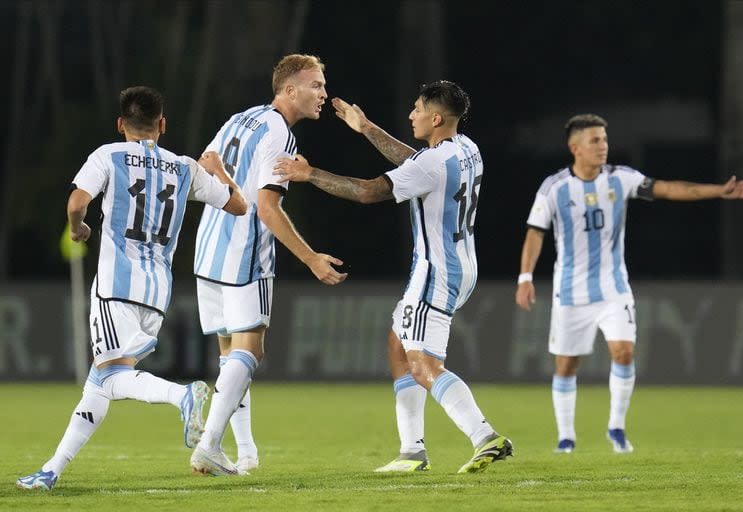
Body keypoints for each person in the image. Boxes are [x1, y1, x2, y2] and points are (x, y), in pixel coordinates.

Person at [274, 80, 513, 474]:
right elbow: (415, 163)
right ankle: (412, 451)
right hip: (463, 265)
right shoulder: (465, 149)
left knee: (422, 365)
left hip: (436, 271)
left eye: (418, 109)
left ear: (436, 118)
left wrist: (309, 173)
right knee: (398, 344)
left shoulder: (432, 163)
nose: (411, 115)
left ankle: (484, 436)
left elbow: (369, 192)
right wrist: (366, 128)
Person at [16, 86, 248, 491]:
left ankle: (183, 397)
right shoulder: (184, 168)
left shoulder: (108, 155)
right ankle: (50, 470)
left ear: (121, 124)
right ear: (162, 124)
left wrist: (78, 230)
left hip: (115, 285)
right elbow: (238, 205)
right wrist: (221, 171)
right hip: (157, 293)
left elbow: (75, 204)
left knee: (110, 378)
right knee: (98, 382)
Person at [514, 114, 743, 454]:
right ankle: (566, 437)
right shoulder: (554, 187)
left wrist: (718, 191)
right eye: (595, 141)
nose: (603, 146)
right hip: (570, 292)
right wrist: (525, 277)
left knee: (624, 352)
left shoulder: (621, 179)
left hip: (614, 288)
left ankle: (616, 428)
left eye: (604, 139)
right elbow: (534, 232)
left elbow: (669, 188)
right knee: (566, 364)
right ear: (575, 148)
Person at [190, 54, 347, 476]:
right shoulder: (281, 136)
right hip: (245, 256)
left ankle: (245, 453)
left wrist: (229, 185)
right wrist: (311, 258)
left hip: (208, 250)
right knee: (251, 351)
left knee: (230, 358)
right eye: (316, 85)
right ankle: (208, 445)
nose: (323, 94)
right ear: (289, 90)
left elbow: (205, 164)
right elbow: (267, 209)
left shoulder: (242, 118)